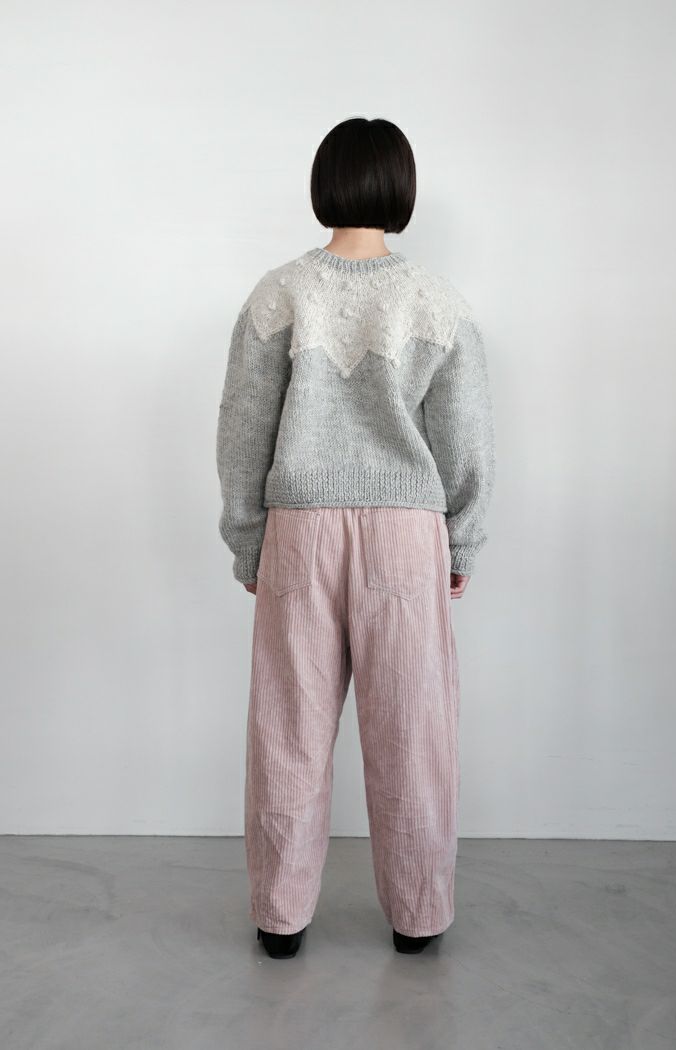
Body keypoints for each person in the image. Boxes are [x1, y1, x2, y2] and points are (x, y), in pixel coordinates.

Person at [216, 116, 495, 959]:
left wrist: (248, 539)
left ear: (324, 183)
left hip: (300, 531)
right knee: (413, 727)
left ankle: (280, 918)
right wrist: (461, 541)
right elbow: (466, 437)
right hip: (405, 533)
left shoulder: (279, 294)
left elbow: (243, 430)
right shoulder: (437, 300)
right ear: (400, 188)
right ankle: (417, 917)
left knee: (289, 724)